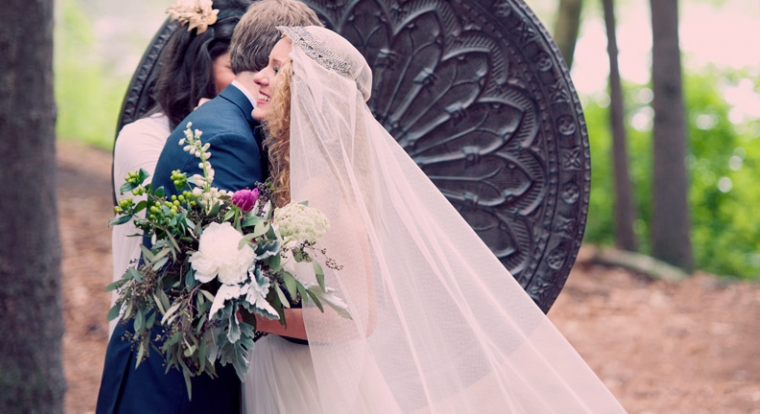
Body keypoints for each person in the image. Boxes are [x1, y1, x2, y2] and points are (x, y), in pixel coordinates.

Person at [242, 26, 628, 413]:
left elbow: (356, 318)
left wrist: (254, 316)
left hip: (310, 385)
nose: (261, 76)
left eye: (277, 69)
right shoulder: (305, 178)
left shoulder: (330, 194)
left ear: (308, 93)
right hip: (288, 368)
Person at [97, 0, 324, 414]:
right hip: (173, 384)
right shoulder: (228, 139)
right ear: (274, 59)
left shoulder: (230, 123)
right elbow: (229, 280)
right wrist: (313, 326)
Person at [110, 0, 252, 337]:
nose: (250, 84)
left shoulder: (249, 139)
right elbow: (175, 237)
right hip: (154, 331)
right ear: (200, 68)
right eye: (235, 69)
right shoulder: (142, 138)